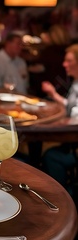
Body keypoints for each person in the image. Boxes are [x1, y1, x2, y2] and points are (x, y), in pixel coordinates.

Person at [40, 44, 78, 196]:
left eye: (69, 61)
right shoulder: (75, 83)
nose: (64, 64)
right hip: (72, 142)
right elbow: (70, 105)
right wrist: (53, 93)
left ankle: (61, 198)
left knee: (51, 156)